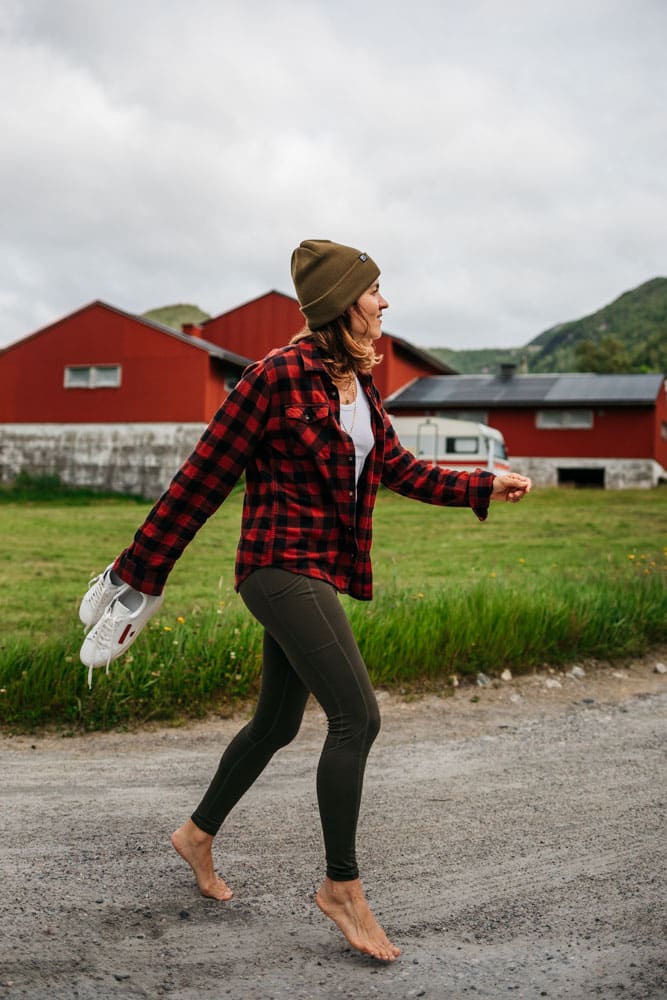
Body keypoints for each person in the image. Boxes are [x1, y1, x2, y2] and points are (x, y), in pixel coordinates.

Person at [80, 239, 532, 962]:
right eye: (375, 290)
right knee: (357, 716)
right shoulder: (274, 378)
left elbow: (398, 468)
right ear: (341, 304)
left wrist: (483, 483)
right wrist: (138, 574)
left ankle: (194, 835)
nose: (385, 302)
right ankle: (341, 890)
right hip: (275, 568)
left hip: (314, 572)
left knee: (277, 722)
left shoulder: (357, 386)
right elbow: (202, 479)